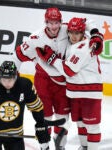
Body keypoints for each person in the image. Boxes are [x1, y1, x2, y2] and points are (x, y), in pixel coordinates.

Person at [12, 7, 103, 150]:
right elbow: (17, 55)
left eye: (56, 23)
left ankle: (60, 146)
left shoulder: (68, 28)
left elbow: (87, 22)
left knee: (63, 118)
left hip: (63, 83)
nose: (53, 26)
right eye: (50, 23)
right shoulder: (35, 38)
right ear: (45, 22)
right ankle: (45, 146)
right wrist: (13, 76)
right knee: (45, 117)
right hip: (43, 82)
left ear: (61, 22)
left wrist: (95, 34)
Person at [36, 17, 103, 150]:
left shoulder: (84, 47)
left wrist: (51, 58)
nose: (73, 36)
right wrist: (95, 32)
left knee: (92, 126)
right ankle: (84, 147)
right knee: (80, 123)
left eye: (77, 33)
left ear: (83, 33)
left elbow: (68, 70)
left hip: (89, 93)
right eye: (71, 32)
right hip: (75, 92)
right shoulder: (77, 42)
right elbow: (87, 21)